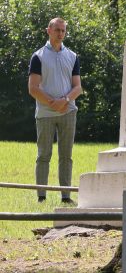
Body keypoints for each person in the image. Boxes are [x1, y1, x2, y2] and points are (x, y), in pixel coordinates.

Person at [28, 17, 82, 204]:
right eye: (57, 30)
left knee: (66, 156)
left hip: (68, 112)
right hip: (45, 114)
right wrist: (53, 102)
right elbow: (33, 88)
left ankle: (65, 196)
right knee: (44, 155)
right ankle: (41, 196)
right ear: (48, 30)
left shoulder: (73, 56)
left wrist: (65, 100)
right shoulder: (38, 56)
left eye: (63, 30)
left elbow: (78, 87)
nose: (60, 33)